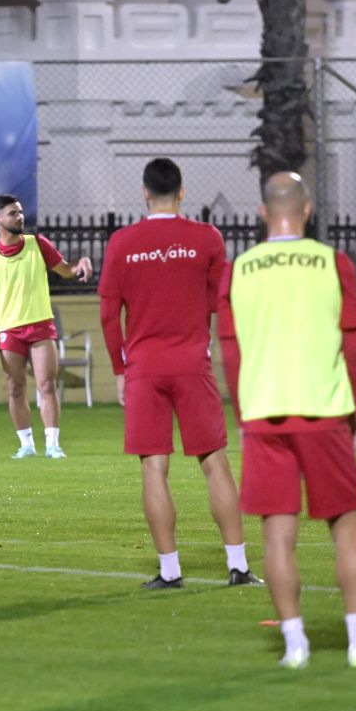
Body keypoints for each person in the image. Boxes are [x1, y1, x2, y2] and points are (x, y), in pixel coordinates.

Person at [220, 171, 356, 669]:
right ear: (306, 210)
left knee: (277, 533)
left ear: (263, 213)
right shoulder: (332, 262)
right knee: (347, 527)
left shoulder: (239, 269)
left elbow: (231, 350)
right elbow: (352, 340)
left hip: (264, 414)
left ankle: (296, 644)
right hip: (325, 411)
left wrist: (242, 414)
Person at [98, 158, 258, 588]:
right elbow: (218, 298)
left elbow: (110, 314)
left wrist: (119, 368)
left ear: (145, 192)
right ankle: (238, 566)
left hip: (145, 367)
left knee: (154, 468)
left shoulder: (122, 242)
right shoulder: (206, 238)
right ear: (182, 191)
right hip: (192, 363)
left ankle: (171, 571)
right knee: (214, 461)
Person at [0, 194, 92, 459]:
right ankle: (26, 445)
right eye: (13, 213)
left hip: (40, 325)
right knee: (15, 388)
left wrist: (79, 264)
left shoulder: (38, 244)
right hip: (8, 330)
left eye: (20, 211)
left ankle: (53, 444)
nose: (20, 216)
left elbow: (64, 270)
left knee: (46, 385)